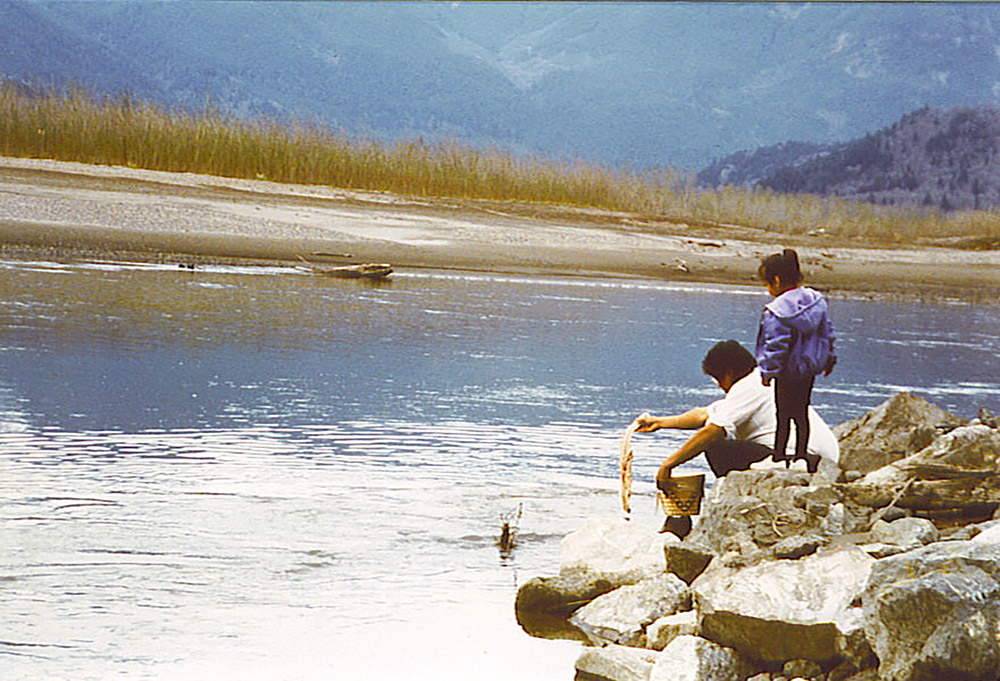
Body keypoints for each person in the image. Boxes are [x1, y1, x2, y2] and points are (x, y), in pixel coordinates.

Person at [634, 340, 839, 538]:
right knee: (719, 441)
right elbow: (704, 414)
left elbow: (712, 431)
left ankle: (703, 515)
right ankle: (684, 517)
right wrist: (660, 422)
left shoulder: (751, 387)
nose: (719, 386)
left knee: (716, 448)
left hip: (807, 461)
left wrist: (669, 465)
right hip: (820, 460)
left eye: (717, 379)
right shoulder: (762, 381)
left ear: (729, 373)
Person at [755, 249, 836, 473]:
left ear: (777, 281)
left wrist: (767, 371)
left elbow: (776, 345)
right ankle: (800, 457)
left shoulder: (777, 311)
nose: (768, 290)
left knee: (783, 414)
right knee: (802, 412)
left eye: (767, 284)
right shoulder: (816, 301)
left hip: (786, 372)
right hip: (808, 369)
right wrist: (830, 359)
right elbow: (827, 333)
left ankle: (778, 456)